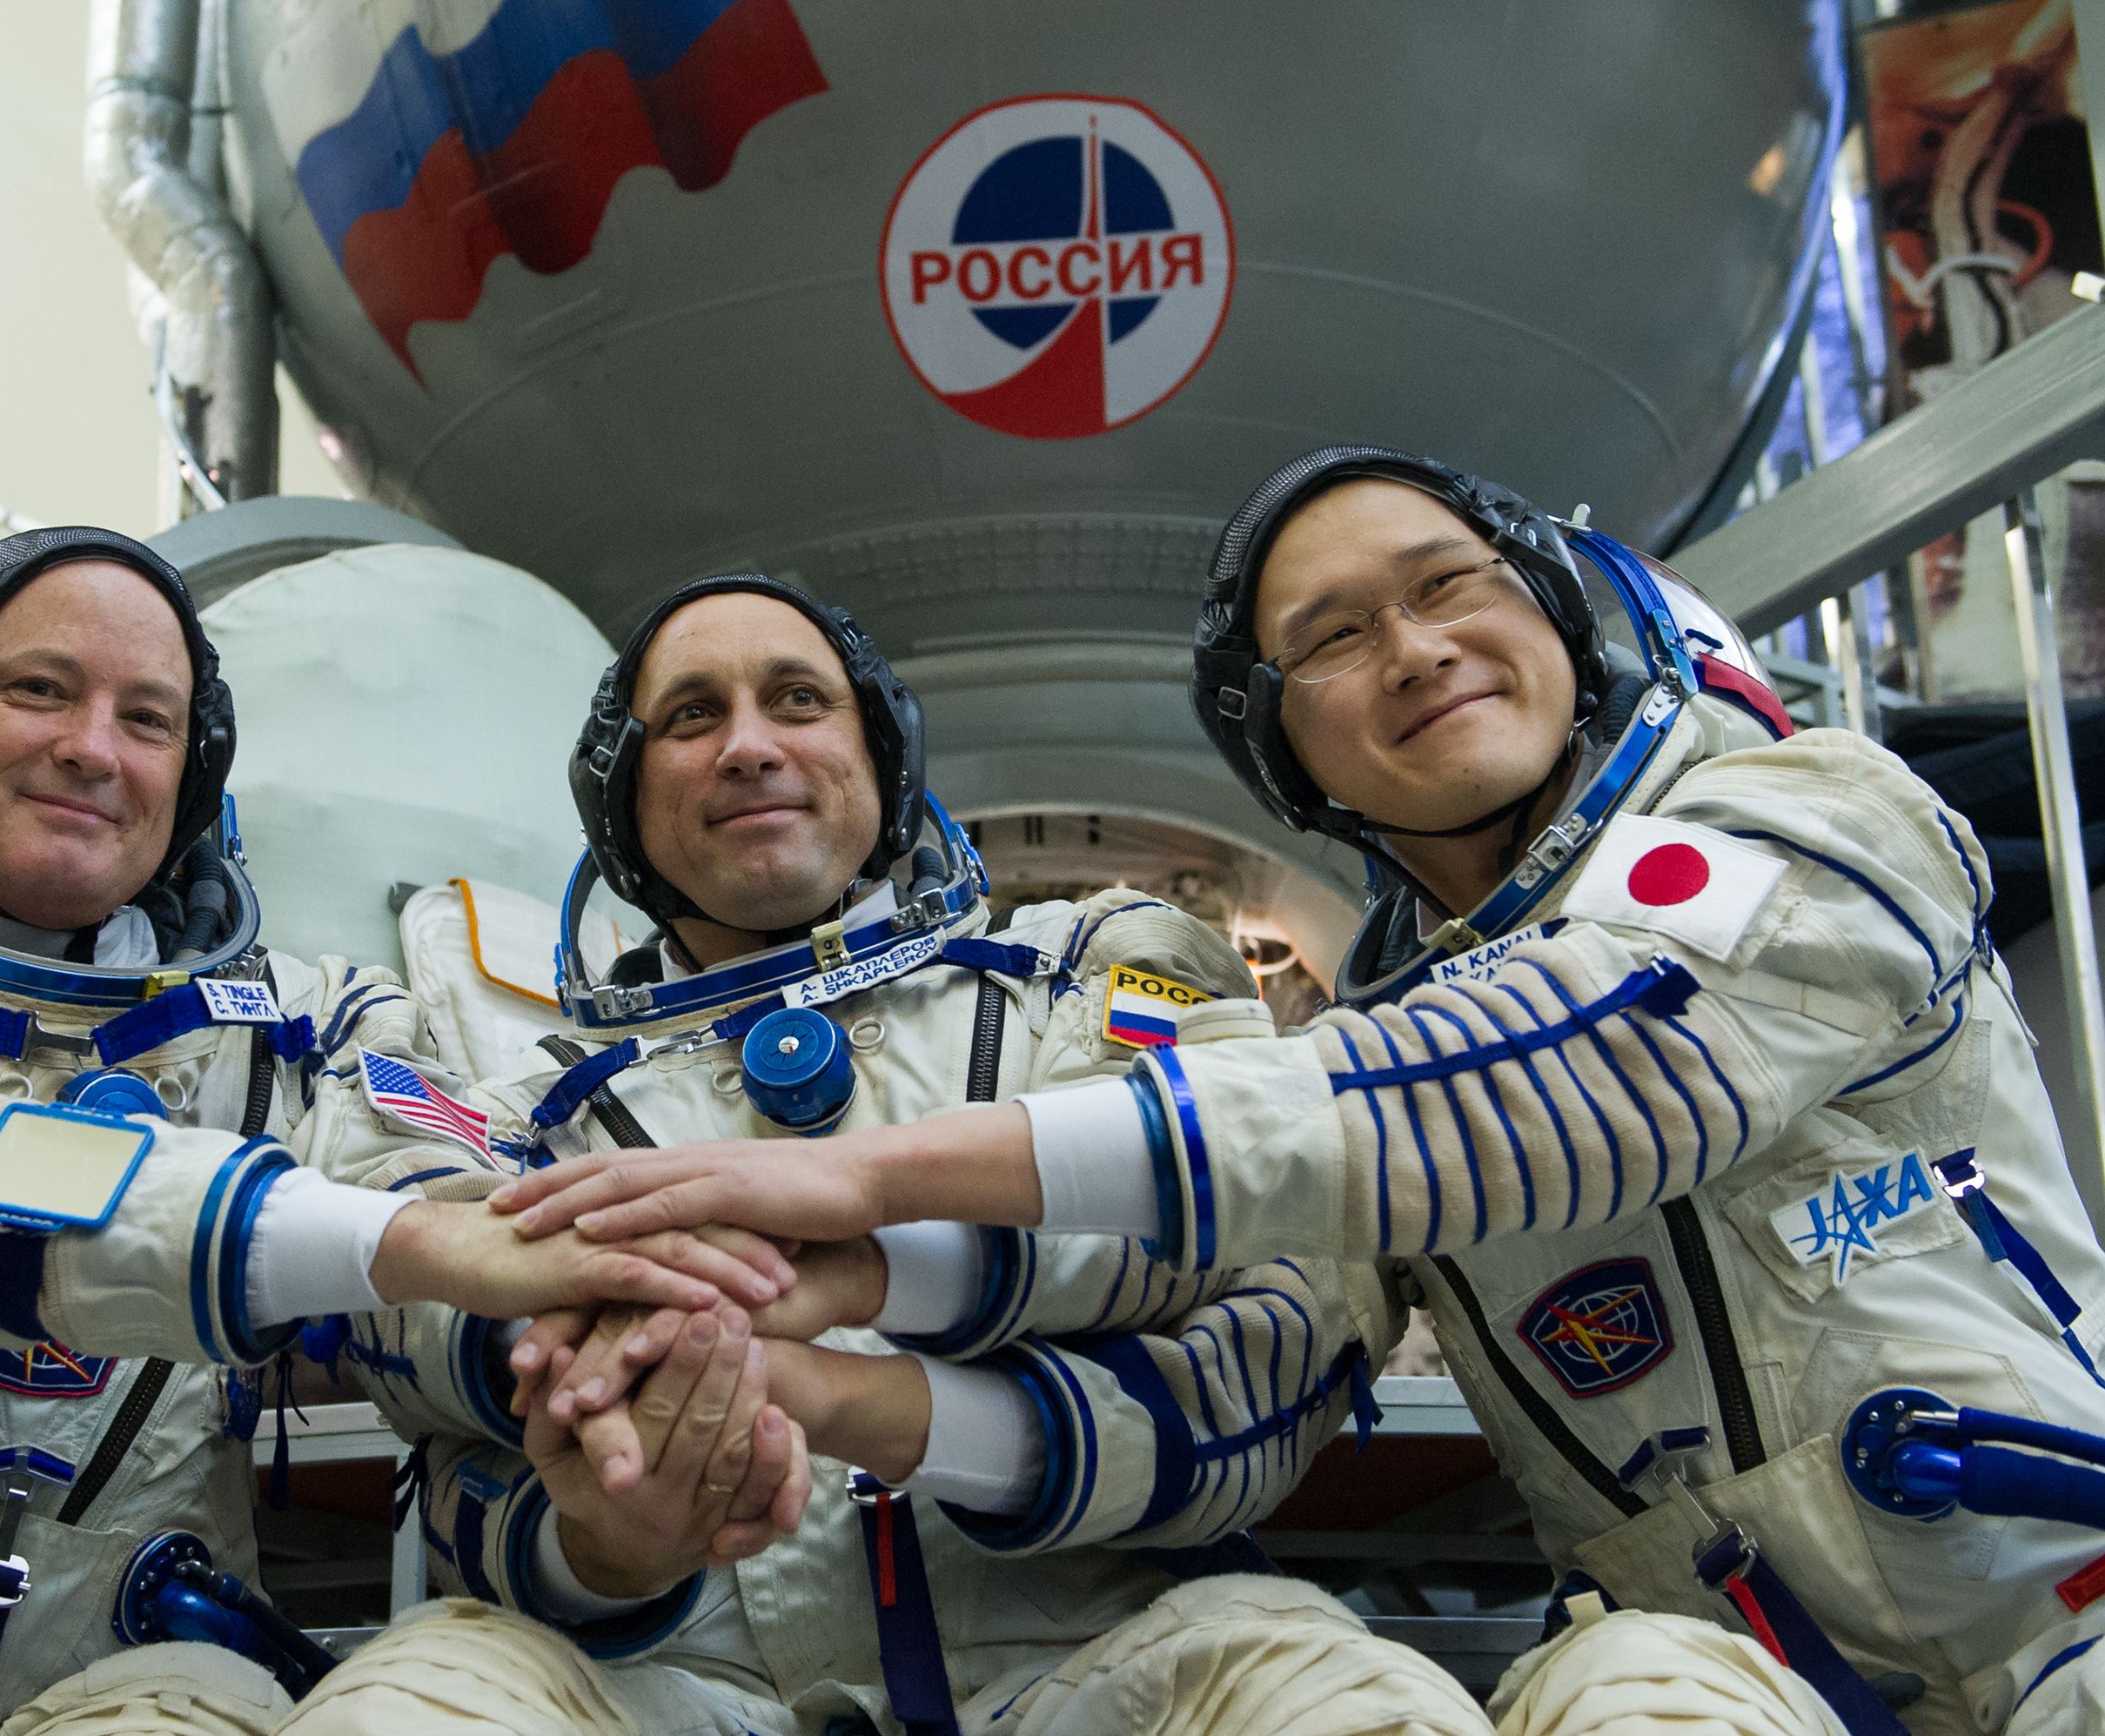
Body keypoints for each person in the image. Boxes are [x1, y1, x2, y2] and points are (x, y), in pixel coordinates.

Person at [493, 449, 2105, 1736]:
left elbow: (1577, 1065)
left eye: (1450, 586)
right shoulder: (1365, 1049)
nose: (1414, 651)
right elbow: (1256, 1362)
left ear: (1558, 606)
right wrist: (822, 1362)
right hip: (1711, 1661)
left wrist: (874, 1188)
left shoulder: (1806, 811)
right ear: (1292, 758)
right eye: (1332, 639)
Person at [0, 528, 788, 1736]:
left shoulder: (308, 1024)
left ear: (195, 775)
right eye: (42, 692)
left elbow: (445, 1206)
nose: (93, 747)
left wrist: (574, 1351)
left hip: (130, 1688)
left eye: (148, 719)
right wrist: (390, 1240)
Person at [284, 575, 1493, 1736]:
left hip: (1107, 1652)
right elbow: (415, 1332)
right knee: (414, 1696)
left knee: (1338, 1699)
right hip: (662, 1678)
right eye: (694, 715)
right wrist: (605, 1540)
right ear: (620, 795)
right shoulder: (520, 1116)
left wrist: (873, 1278)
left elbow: (1210, 1230)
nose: (750, 745)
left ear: (885, 754)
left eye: (799, 699)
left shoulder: (1091, 971)